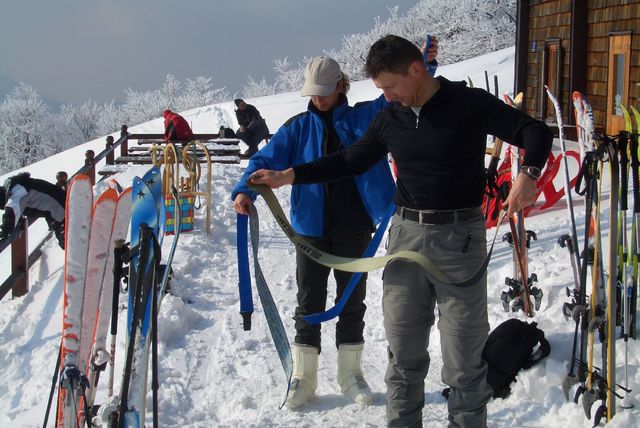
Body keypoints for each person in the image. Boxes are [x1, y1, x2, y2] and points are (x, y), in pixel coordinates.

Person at [248, 34, 552, 427]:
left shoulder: (469, 103)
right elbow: (350, 160)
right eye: (381, 89)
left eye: (390, 86)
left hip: (460, 240)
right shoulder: (391, 117)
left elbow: (535, 132)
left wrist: (529, 174)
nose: (387, 96)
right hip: (406, 237)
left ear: (415, 69)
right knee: (404, 360)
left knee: (464, 363)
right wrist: (289, 175)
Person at [233, 40, 439, 410]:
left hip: (355, 225)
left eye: (325, 92)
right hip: (310, 229)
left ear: (340, 86)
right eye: (313, 93)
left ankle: (351, 374)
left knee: (352, 301)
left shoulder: (363, 117)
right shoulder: (297, 128)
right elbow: (263, 160)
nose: (319, 99)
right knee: (308, 300)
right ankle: (304, 377)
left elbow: (398, 98)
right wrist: (244, 189)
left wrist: (423, 65)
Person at [0, 172, 66, 249]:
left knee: (69, 243)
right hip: (58, 207)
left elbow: (12, 211)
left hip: (60, 209)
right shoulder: (17, 187)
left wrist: (5, 231)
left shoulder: (16, 191)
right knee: (68, 242)